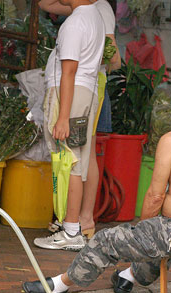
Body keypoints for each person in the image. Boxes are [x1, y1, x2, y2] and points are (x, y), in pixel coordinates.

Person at [23, 74, 171, 293]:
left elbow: (155, 196)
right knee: (156, 234)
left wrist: (141, 231)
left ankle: (59, 286)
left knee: (107, 240)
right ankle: (128, 277)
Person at [38, 0, 121, 239]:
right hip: (85, 93)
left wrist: (63, 117)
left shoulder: (75, 22)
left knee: (69, 159)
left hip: (72, 95)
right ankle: (71, 227)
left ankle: (71, 229)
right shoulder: (93, 15)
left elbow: (69, 71)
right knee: (76, 160)